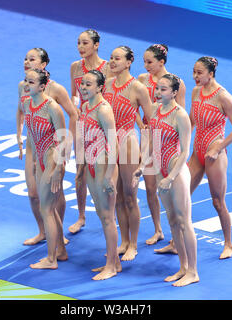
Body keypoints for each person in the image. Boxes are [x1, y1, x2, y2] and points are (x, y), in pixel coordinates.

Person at [156, 57, 232, 259]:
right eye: (194, 72)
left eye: (199, 73)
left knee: (217, 202)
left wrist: (218, 149)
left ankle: (228, 243)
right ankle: (175, 242)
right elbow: (192, 121)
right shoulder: (196, 92)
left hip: (215, 154)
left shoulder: (224, 98)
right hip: (197, 151)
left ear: (211, 74)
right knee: (181, 196)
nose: (195, 77)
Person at [133, 73, 198, 287]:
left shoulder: (180, 115)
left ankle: (193, 271)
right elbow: (151, 141)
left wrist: (170, 177)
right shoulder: (154, 110)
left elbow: (185, 151)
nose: (158, 92)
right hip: (160, 171)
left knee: (184, 222)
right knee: (172, 222)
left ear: (174, 92)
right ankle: (182, 267)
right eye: (157, 89)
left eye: (163, 89)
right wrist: (142, 166)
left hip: (176, 172)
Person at [17, 48, 77, 246]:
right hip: (32, 146)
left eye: (32, 59)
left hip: (51, 148)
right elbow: (20, 109)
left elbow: (73, 114)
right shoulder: (23, 86)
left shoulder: (56, 90)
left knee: (55, 193)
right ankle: (43, 232)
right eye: (25, 59)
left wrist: (68, 143)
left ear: (43, 65)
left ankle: (58, 235)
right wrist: (19, 133)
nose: (26, 62)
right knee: (33, 194)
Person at [103, 45, 152, 261]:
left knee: (131, 196)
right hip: (109, 143)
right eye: (111, 58)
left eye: (117, 59)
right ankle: (123, 240)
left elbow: (152, 122)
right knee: (117, 197)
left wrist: (146, 154)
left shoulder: (138, 88)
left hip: (128, 142)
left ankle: (133, 244)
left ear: (129, 62)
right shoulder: (106, 84)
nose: (112, 62)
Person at [136, 44, 186, 246]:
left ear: (161, 62)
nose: (146, 66)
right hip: (148, 137)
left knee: (169, 189)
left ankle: (176, 237)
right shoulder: (141, 80)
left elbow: (180, 111)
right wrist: (142, 126)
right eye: (144, 62)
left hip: (167, 140)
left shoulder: (176, 83)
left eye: (150, 62)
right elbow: (135, 107)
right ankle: (158, 230)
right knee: (150, 188)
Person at [78, 70, 121, 280]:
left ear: (100, 87)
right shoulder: (86, 107)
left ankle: (111, 265)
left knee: (107, 217)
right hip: (91, 164)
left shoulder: (104, 110)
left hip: (104, 165)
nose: (84, 88)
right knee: (102, 214)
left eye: (89, 84)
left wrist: (108, 175)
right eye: (83, 84)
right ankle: (115, 261)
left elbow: (113, 144)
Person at [23, 68, 68, 269]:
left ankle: (51, 259)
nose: (26, 84)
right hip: (40, 160)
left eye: (31, 82)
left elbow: (63, 140)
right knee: (49, 208)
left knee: (47, 209)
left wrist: (58, 168)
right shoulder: (26, 103)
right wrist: (33, 160)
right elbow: (31, 134)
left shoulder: (52, 107)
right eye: (26, 80)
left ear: (42, 86)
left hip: (52, 161)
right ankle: (61, 251)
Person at [69, 29, 112, 234]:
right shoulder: (75, 67)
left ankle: (110, 214)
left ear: (96, 45)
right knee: (80, 172)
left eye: (85, 43)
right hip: (83, 121)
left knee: (105, 173)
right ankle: (81, 216)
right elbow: (74, 95)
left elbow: (110, 96)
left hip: (101, 123)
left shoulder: (107, 68)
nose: (80, 47)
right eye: (78, 43)